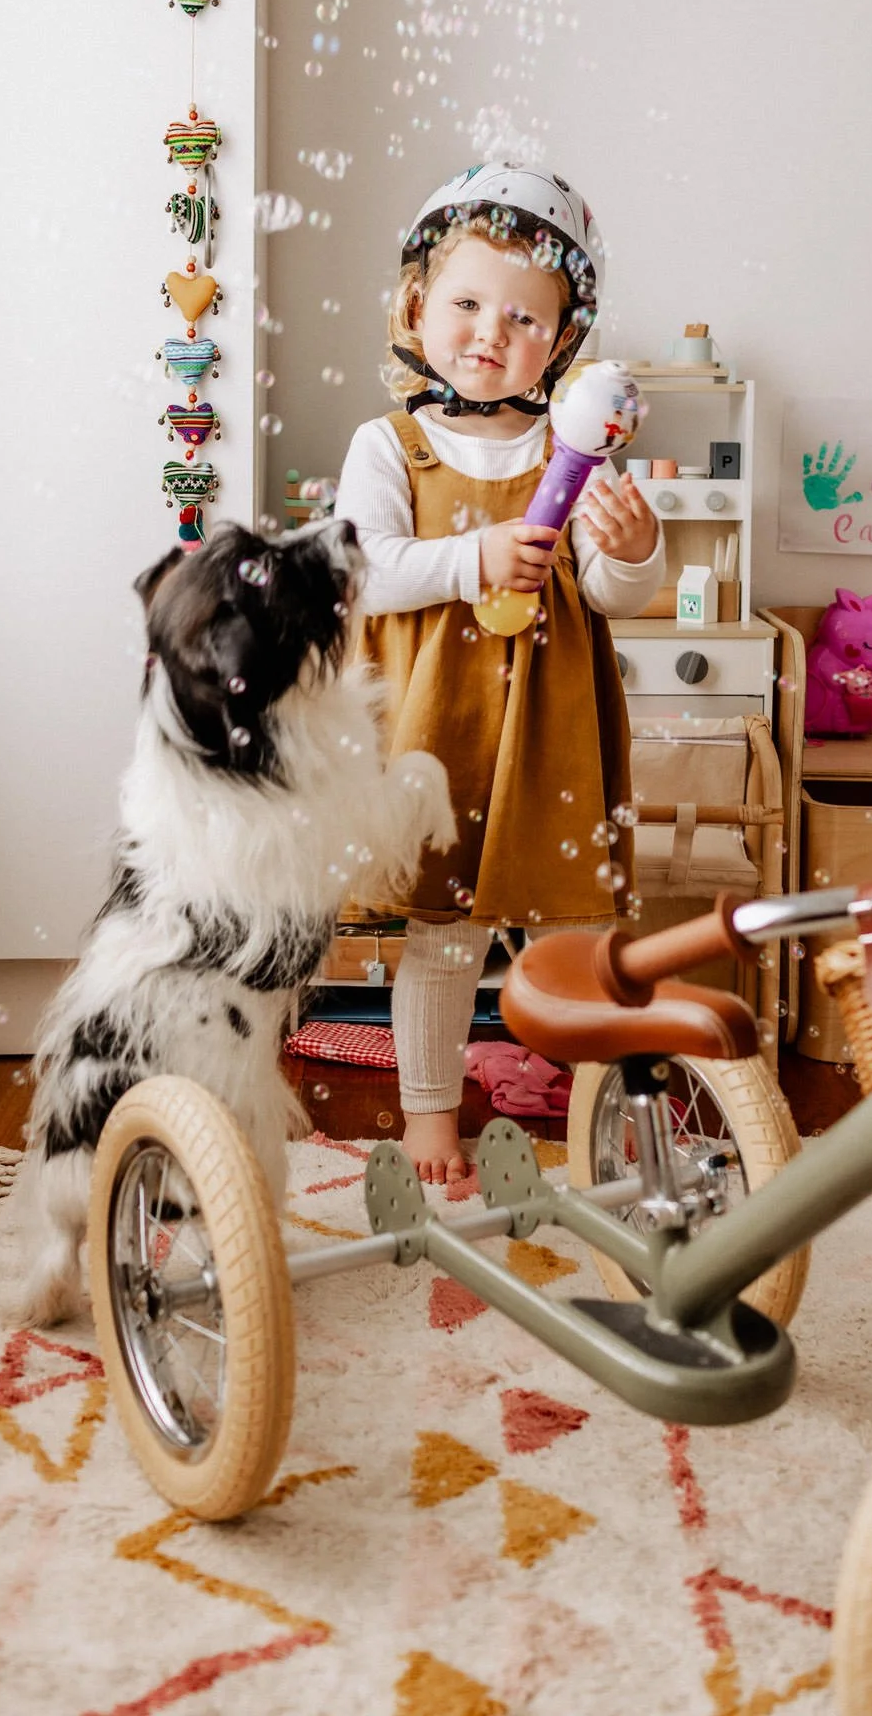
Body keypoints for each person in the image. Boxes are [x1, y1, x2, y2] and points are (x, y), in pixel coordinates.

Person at [335, 163, 663, 1182]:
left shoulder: (578, 453)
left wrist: (638, 548)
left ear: (563, 344)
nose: (489, 330)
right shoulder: (388, 445)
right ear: (416, 306)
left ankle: (604, 1113)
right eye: (467, 301)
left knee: (579, 933)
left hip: (553, 731)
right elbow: (364, 573)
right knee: (442, 937)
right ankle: (430, 1118)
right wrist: (474, 558)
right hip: (441, 733)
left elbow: (611, 596)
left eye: (524, 316)